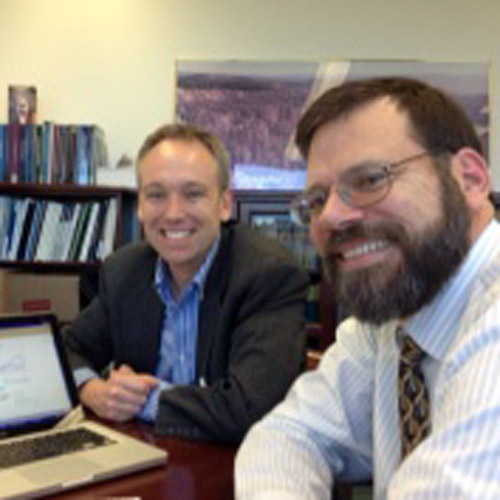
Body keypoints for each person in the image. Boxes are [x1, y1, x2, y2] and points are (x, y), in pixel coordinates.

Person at [235, 77, 500, 499]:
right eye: (317, 200)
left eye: (370, 179)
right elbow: (287, 435)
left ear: (468, 179)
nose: (332, 218)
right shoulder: (391, 320)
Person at [63, 123, 309, 443]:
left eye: (193, 194)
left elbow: (249, 408)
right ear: (139, 206)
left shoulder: (268, 275)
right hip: (146, 459)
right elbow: (69, 349)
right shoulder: (123, 271)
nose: (173, 213)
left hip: (234, 468)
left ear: (224, 204)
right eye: (156, 195)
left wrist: (142, 400)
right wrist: (93, 389)